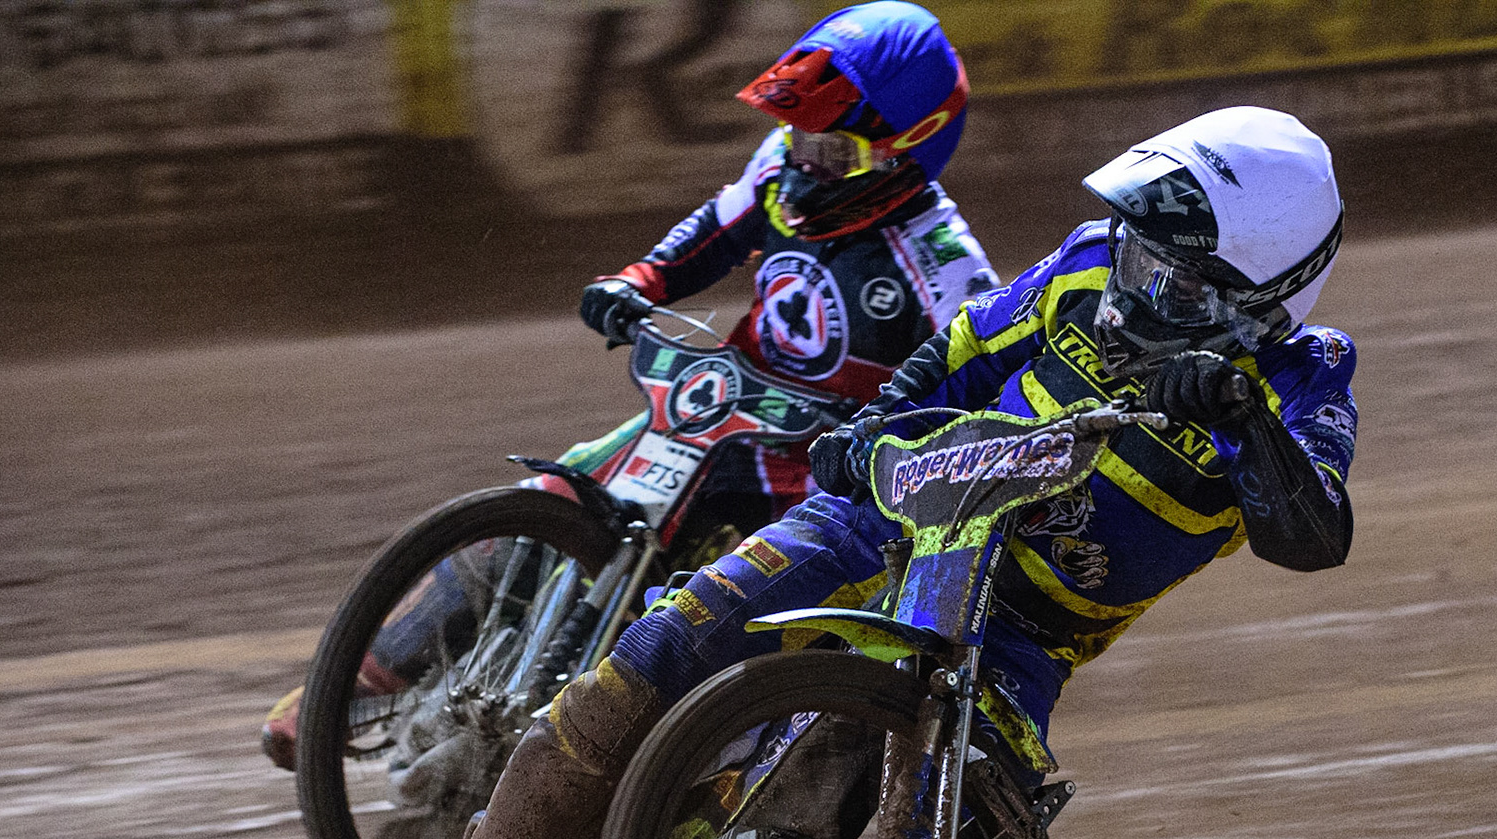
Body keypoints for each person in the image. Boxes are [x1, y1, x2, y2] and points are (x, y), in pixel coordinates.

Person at [384, 105, 1360, 839]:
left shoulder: (1304, 377)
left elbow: (1315, 535)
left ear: (1261, 298)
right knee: (638, 677)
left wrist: (1243, 414)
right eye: (1136, 246)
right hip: (887, 511)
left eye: (1172, 274)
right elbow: (963, 349)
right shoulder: (1087, 265)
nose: (1134, 281)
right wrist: (877, 421)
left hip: (1016, 635)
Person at [257, 1, 996, 769]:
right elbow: (713, 232)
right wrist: (636, 279)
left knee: (718, 629)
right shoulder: (780, 165)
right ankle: (348, 690)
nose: (806, 163)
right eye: (799, 136)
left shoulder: (946, 266)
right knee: (553, 502)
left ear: (910, 150)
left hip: (823, 474)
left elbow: (977, 393)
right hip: (719, 413)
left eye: (833, 150)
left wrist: (885, 436)